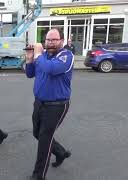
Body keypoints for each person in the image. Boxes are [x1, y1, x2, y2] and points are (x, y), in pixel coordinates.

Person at [24, 28, 73, 180]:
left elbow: (51, 69)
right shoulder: (43, 56)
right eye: (48, 40)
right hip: (39, 102)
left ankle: (38, 175)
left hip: (57, 105)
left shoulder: (66, 56)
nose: (50, 42)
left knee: (45, 139)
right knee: (37, 133)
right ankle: (60, 152)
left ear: (61, 41)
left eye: (54, 39)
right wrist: (30, 58)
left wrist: (38, 54)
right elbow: (29, 74)